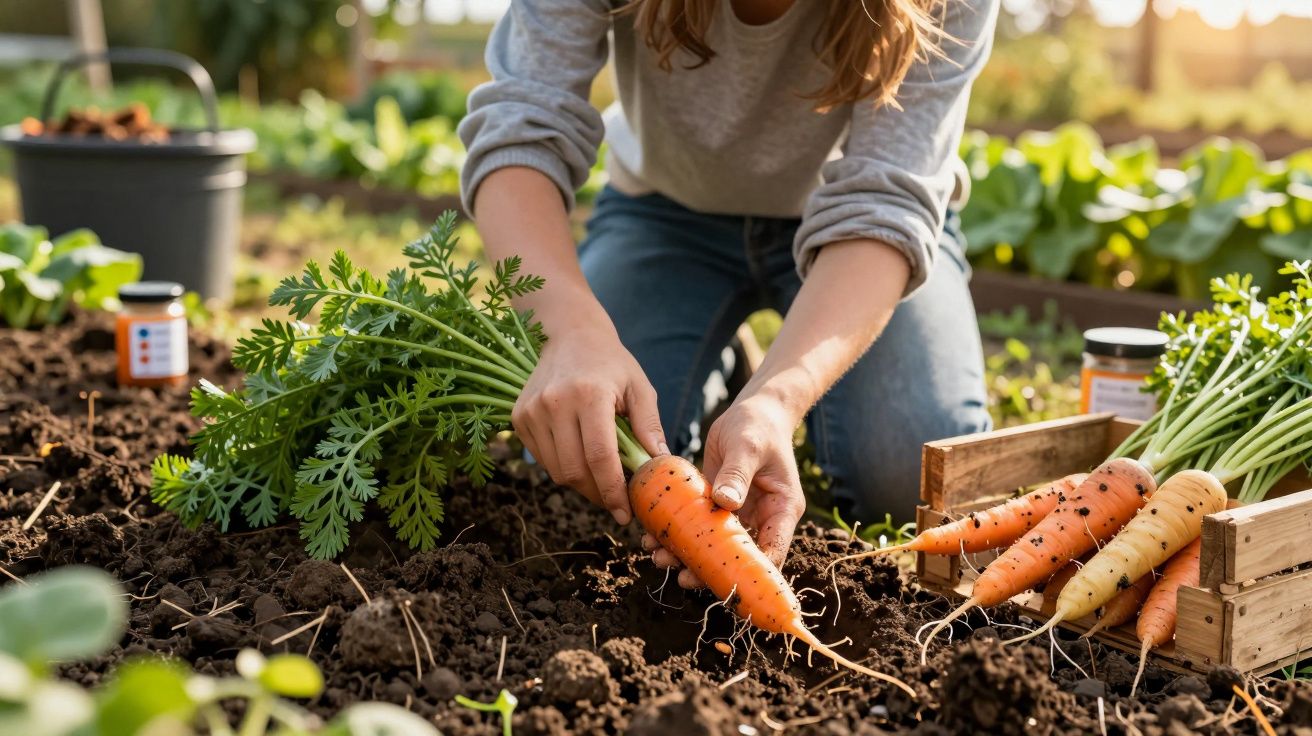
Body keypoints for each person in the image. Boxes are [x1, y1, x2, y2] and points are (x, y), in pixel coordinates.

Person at [459, 0, 996, 588]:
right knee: (585, 453)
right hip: (666, 215)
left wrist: (779, 399)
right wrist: (572, 331)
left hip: (863, 238)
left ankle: (764, 387)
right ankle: (728, 365)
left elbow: (886, 202)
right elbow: (520, 126)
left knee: (907, 473)